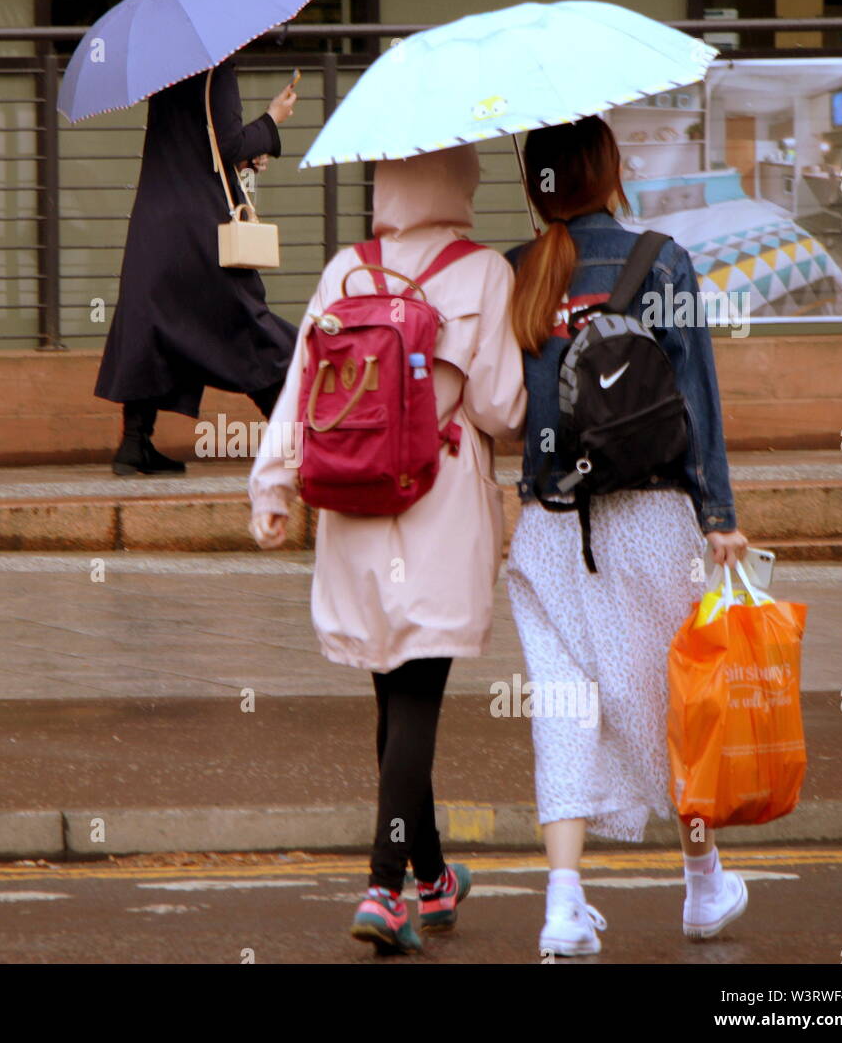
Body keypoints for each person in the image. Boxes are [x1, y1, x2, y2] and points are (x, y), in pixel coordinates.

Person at [249, 144, 526, 955]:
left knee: (394, 696)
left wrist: (271, 488)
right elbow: (503, 407)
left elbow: (299, 392)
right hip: (438, 505)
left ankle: (431, 878)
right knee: (416, 702)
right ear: (458, 180)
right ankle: (382, 886)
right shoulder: (484, 273)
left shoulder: (346, 270)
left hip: (352, 507)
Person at [503, 116, 750, 958]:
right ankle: (703, 881)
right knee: (672, 702)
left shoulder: (517, 270)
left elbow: (506, 408)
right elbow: (696, 395)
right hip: (650, 520)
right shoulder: (663, 259)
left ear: (536, 182)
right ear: (609, 170)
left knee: (563, 709)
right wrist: (718, 515)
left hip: (550, 525)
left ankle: (563, 904)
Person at [95, 60, 299, 476]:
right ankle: (294, 443)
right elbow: (228, 144)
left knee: (153, 327)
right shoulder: (216, 69)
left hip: (156, 221)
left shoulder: (166, 70)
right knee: (246, 325)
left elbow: (195, 147)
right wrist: (272, 120)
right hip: (198, 225)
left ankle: (134, 443)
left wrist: (242, 160)